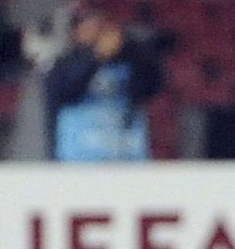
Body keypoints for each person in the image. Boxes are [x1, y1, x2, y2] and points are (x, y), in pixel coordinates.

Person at [45, 10, 165, 161]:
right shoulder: (64, 63)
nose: (98, 33)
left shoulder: (131, 60)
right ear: (76, 32)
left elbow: (153, 85)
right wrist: (97, 56)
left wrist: (134, 46)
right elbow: (68, 93)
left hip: (125, 151)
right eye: (91, 27)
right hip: (80, 156)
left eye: (102, 27)